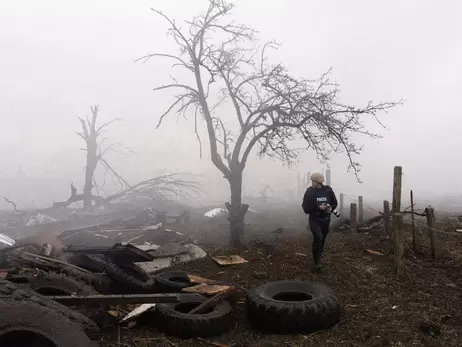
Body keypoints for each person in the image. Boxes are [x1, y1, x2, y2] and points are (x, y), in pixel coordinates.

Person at [302, 172, 338, 272]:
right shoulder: (310, 192)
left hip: (326, 220)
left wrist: (328, 207)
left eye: (313, 181)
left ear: (318, 182)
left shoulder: (328, 191)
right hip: (314, 220)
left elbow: (334, 203)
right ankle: (317, 263)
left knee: (322, 240)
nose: (311, 183)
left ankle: (318, 257)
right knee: (318, 237)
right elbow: (305, 208)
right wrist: (317, 207)